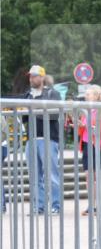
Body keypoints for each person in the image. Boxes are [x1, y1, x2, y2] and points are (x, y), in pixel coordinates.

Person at [22, 65, 63, 215]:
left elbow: (53, 115)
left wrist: (33, 109)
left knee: (52, 174)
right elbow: (24, 117)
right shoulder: (28, 95)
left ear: (42, 77)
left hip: (48, 139)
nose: (32, 79)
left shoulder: (52, 93)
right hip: (31, 139)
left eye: (35, 76)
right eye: (30, 76)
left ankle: (56, 205)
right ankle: (39, 207)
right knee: (34, 176)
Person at [78, 85, 101, 216]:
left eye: (89, 94)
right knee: (89, 177)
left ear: (97, 96)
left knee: (99, 177)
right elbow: (85, 130)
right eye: (86, 94)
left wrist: (85, 125)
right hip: (87, 144)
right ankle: (92, 205)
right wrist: (79, 125)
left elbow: (100, 128)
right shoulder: (87, 110)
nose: (86, 96)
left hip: (100, 145)